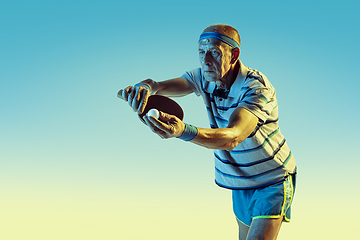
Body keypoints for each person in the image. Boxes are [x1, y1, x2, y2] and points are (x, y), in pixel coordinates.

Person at [118, 24, 297, 240]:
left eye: (214, 52)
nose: (206, 60)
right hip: (240, 180)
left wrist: (183, 130)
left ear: (234, 55)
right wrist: (147, 86)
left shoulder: (256, 88)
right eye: (201, 52)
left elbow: (234, 136)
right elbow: (163, 86)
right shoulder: (204, 77)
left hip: (271, 178)